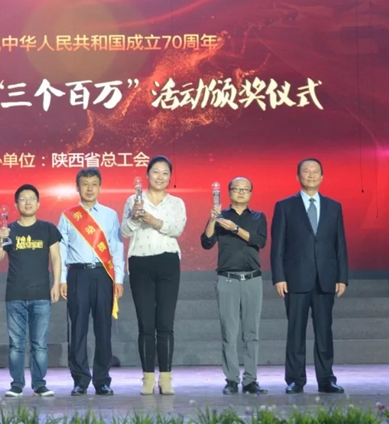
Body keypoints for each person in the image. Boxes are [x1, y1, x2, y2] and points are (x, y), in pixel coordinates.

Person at [271, 158, 348, 394]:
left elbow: (340, 244)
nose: (311, 175)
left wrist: (342, 277)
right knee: (296, 331)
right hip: (295, 279)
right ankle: (295, 379)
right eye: (306, 171)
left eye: (316, 172)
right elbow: (278, 246)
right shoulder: (284, 206)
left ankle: (326, 379)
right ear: (298, 176)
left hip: (326, 278)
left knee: (324, 332)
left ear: (322, 176)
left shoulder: (334, 206)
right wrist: (279, 277)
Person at [121, 155, 186, 395]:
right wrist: (134, 218)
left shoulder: (176, 203)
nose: (160, 177)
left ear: (170, 177)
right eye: (155, 172)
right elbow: (124, 232)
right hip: (140, 262)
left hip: (168, 262)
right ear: (147, 175)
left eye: (165, 173)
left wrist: (154, 221)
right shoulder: (133, 200)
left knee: (165, 324)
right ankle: (148, 377)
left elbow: (177, 229)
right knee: (146, 324)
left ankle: (166, 378)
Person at [0, 184, 62, 398]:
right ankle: (17, 384)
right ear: (16, 204)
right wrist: (1, 239)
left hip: (41, 294)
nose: (28, 202)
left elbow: (56, 257)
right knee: (16, 344)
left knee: (40, 344)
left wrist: (56, 283)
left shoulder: (47, 228)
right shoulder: (9, 229)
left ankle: (39, 384)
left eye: (32, 198)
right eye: (23, 199)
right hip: (15, 294)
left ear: (38, 203)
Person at [58, 167, 124, 396]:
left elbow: (117, 248)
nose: (89, 188)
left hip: (103, 275)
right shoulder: (68, 215)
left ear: (100, 187)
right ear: (77, 187)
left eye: (94, 184)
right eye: (85, 184)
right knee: (78, 329)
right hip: (78, 275)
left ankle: (102, 380)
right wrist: (62, 279)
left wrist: (118, 279)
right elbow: (61, 249)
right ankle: (80, 380)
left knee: (103, 329)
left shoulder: (110, 215)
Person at [200, 177, 268, 395]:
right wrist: (212, 220)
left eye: (245, 189)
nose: (240, 192)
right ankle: (231, 379)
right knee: (229, 333)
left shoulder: (258, 217)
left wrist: (236, 229)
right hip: (227, 279)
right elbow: (206, 242)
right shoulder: (220, 216)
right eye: (236, 189)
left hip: (252, 279)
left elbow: (260, 241)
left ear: (251, 193)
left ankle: (250, 380)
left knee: (251, 333)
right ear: (229, 192)